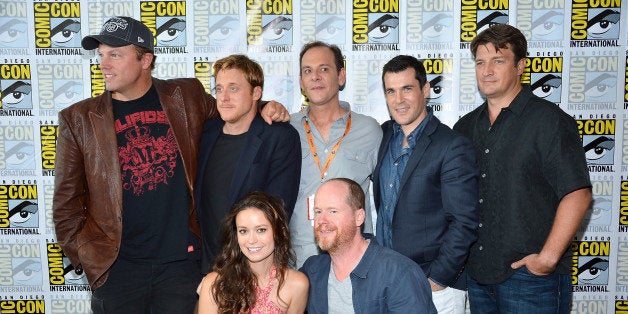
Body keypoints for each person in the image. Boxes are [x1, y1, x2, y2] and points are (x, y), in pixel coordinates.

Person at [52, 16, 287, 313]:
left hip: (181, 266)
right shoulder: (79, 119)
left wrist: (266, 105)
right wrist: (91, 260)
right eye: (101, 55)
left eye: (115, 54)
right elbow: (66, 204)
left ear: (145, 59)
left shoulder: (185, 96)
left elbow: (230, 111)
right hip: (117, 271)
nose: (103, 64)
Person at [453, 24, 591, 313]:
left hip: (531, 280)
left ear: (520, 66)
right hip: (478, 276)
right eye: (480, 62)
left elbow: (577, 194)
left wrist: (548, 259)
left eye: (498, 60)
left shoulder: (549, 121)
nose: (487, 70)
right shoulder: (465, 127)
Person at [373, 55, 478, 313]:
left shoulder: (452, 145)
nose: (399, 100)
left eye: (407, 89)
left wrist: (438, 279)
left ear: (426, 89)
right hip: (389, 281)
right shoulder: (384, 134)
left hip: (434, 286)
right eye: (391, 91)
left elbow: (464, 221)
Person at [195, 54, 301, 273]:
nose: (224, 97)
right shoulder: (206, 132)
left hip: (253, 266)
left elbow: (277, 208)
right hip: (206, 267)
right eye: (219, 89)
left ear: (256, 93)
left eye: (233, 89)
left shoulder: (279, 136)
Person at [290, 41, 382, 267]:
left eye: (324, 69)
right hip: (299, 261)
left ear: (341, 76)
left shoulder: (369, 130)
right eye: (307, 71)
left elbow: (388, 198)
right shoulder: (286, 129)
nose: (315, 77)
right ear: (301, 82)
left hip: (355, 261)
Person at [300, 178, 436, 313]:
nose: (321, 220)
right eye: (318, 211)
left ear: (359, 217)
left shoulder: (400, 273)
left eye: (333, 211)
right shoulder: (313, 269)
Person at [197, 191, 309, 313]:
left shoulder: (297, 284)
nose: (251, 240)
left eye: (261, 230)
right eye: (243, 231)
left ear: (278, 232)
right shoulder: (215, 284)